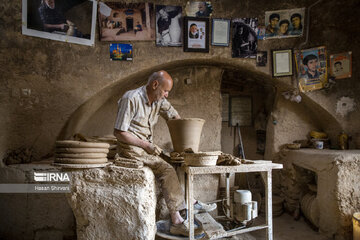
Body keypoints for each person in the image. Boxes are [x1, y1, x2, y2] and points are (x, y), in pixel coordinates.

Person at [113, 71, 216, 237]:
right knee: (166, 168)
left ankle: (189, 201)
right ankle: (176, 220)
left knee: (177, 161)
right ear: (155, 85)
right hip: (131, 148)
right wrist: (145, 145)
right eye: (165, 90)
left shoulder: (158, 100)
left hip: (146, 147)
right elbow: (119, 132)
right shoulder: (131, 98)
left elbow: (174, 117)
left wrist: (183, 136)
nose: (167, 94)